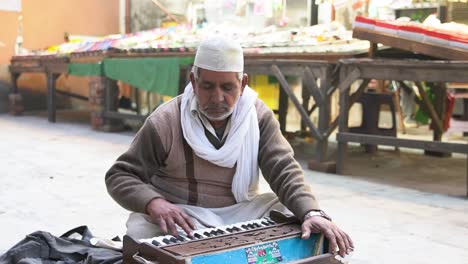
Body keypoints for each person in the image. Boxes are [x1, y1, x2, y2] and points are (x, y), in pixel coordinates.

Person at [105, 36, 353, 257]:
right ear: (193, 81)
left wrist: (312, 213)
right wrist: (154, 203)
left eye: (228, 88)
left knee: (292, 214)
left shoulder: (257, 117)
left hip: (240, 211)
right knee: (139, 229)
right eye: (207, 86)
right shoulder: (166, 120)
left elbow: (283, 169)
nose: (217, 98)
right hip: (182, 215)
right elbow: (120, 175)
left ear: (243, 83)